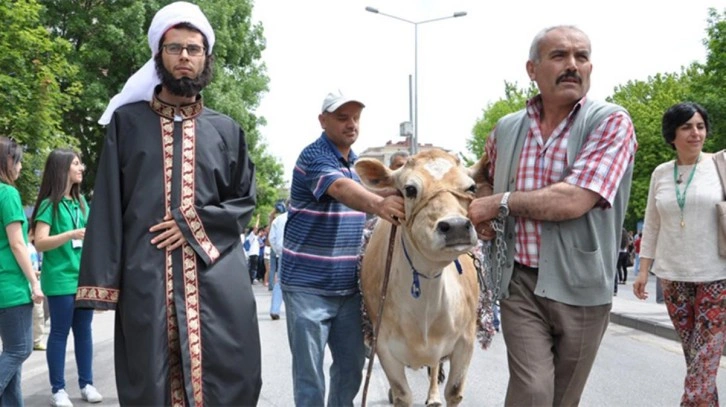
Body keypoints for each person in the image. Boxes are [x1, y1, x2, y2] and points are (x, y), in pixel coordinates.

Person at [76, 2, 261, 405]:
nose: (184, 57)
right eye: (174, 48)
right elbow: (106, 205)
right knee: (149, 379)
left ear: (205, 58)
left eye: (193, 50)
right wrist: (102, 282)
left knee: (230, 373)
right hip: (148, 278)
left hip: (215, 277)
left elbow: (245, 200)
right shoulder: (126, 125)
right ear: (159, 56)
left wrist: (193, 225)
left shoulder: (227, 131)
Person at [468, 25, 636, 406]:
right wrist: (482, 205)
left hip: (583, 286)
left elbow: (573, 201)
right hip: (519, 283)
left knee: (562, 399)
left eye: (582, 56)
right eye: (559, 56)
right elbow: (484, 179)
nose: (573, 65)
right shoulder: (506, 129)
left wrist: (498, 203)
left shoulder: (611, 123)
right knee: (532, 391)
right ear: (532, 69)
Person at [280, 90, 404, 406]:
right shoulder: (314, 157)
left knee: (351, 368)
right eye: (342, 118)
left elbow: (373, 187)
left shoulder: (356, 164)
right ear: (323, 121)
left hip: (347, 288)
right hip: (307, 286)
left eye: (355, 118)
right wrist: (380, 203)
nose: (351, 124)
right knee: (310, 377)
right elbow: (341, 189)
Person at [633, 102, 726, 406]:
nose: (695, 133)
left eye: (700, 126)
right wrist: (644, 271)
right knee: (695, 358)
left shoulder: (720, 165)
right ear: (672, 134)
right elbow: (652, 223)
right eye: (686, 126)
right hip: (672, 277)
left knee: (705, 356)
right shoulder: (661, 174)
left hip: (716, 275)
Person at [31, 149, 102, 406]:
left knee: (84, 332)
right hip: (60, 279)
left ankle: (87, 384)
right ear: (62, 169)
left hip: (82, 278)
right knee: (59, 333)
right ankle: (57, 389)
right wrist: (71, 235)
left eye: (80, 163)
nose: (81, 167)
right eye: (75, 163)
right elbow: (40, 242)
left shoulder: (81, 203)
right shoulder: (50, 204)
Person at [0, 136, 45, 406]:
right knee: (20, 349)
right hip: (11, 285)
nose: (20, 168)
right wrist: (34, 282)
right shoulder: (7, 194)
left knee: (11, 355)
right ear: (7, 161)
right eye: (17, 162)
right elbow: (17, 243)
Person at [268, 201, 287, 320]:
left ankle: (275, 309)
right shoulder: (301, 216)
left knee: (279, 282)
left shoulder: (278, 219)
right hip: (299, 254)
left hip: (283, 253)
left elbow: (272, 238)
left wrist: (278, 251)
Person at [28, 230, 47, 352]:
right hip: (28, 282)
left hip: (37, 282)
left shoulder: (34, 248)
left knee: (39, 313)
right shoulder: (23, 247)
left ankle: (37, 340)